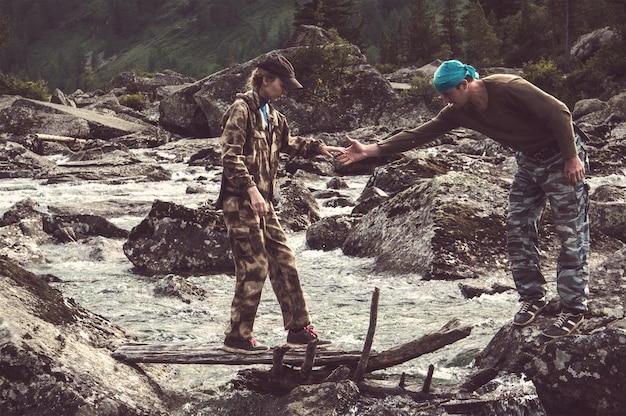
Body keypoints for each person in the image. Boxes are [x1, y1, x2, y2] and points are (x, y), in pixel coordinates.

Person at [336, 60, 590, 339]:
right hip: (529, 162)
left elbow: (559, 111)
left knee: (570, 232)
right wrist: (370, 150)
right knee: (518, 228)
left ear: (465, 84)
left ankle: (574, 308)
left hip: (562, 156)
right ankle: (532, 297)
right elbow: (419, 134)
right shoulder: (458, 111)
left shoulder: (508, 87)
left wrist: (571, 157)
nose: (444, 100)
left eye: (448, 93)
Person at [217, 53, 342, 353]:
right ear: (264, 79)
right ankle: (236, 335)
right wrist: (252, 191)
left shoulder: (273, 116)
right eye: (282, 84)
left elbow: (287, 143)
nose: (285, 90)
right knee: (255, 265)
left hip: (263, 202)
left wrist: (319, 148)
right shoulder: (240, 110)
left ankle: (298, 330)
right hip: (240, 201)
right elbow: (229, 156)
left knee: (284, 259)